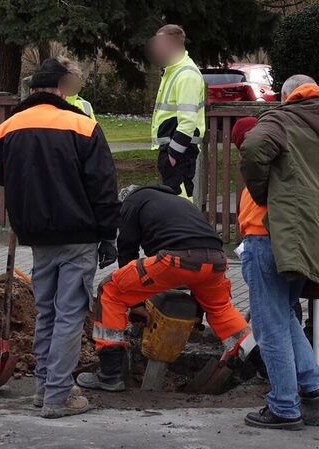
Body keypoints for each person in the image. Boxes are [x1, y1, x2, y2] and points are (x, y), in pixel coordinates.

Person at [0, 58, 120, 418]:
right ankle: (58, 394)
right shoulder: (84, 126)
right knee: (71, 314)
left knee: (47, 311)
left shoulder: (4, 130)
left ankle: (44, 386)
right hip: (79, 235)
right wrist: (108, 235)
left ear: (30, 91)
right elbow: (104, 188)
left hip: (37, 236)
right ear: (61, 90)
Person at [238, 75, 319, 430]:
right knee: (285, 315)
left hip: (268, 233)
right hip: (307, 237)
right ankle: (310, 383)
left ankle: (284, 406)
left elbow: (254, 147)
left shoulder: (282, 118)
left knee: (269, 323)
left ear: (288, 95)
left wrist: (260, 193)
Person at [77, 185, 253, 392]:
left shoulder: (131, 203)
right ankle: (258, 363)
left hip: (177, 259)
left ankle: (110, 373)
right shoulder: (178, 203)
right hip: (217, 260)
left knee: (111, 289)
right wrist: (197, 311)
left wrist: (135, 304)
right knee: (220, 309)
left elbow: (127, 252)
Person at [147, 24, 206, 200]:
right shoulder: (173, 71)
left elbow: (188, 121)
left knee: (179, 201)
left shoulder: (186, 74)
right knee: (174, 201)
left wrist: (174, 154)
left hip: (179, 150)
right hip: (173, 148)